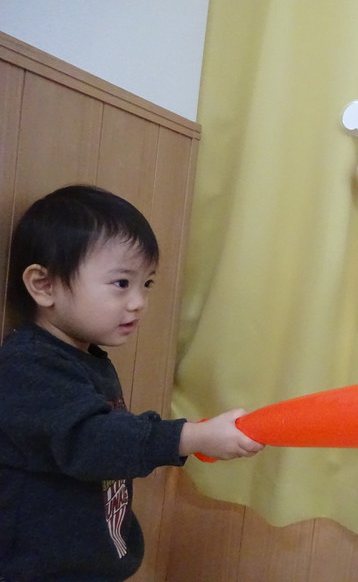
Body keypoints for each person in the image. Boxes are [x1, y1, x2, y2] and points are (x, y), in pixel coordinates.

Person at [0, 185, 265, 581]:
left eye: (147, 284)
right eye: (122, 283)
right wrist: (190, 437)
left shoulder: (85, 357)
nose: (139, 302)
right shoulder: (29, 365)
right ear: (44, 285)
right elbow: (92, 441)